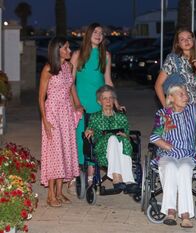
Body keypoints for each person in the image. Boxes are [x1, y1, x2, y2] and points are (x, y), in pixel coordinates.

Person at [150, 84, 196, 228]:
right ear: (171, 98)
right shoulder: (163, 114)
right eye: (181, 94)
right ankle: (171, 212)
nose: (186, 97)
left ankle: (186, 215)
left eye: (186, 94)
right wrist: (168, 146)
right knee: (171, 167)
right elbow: (154, 137)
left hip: (188, 154)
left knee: (185, 169)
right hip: (168, 154)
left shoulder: (193, 111)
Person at [70, 23, 123, 186]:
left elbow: (107, 81)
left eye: (101, 33)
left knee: (95, 138)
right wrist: (76, 103)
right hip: (81, 103)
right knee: (79, 139)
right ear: (88, 34)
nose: (99, 35)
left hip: (99, 103)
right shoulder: (77, 55)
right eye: (95, 32)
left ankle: (92, 177)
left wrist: (116, 103)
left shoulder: (105, 55)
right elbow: (70, 82)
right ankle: (75, 175)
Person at [39, 36, 80, 207]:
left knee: (64, 151)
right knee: (54, 153)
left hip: (66, 113)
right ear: (58, 50)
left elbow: (71, 87)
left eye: (69, 48)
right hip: (53, 113)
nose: (69, 51)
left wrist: (77, 104)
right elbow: (41, 98)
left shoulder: (68, 66)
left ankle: (59, 192)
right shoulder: (48, 69)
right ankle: (50, 195)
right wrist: (45, 120)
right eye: (66, 48)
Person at [84, 85, 137, 193]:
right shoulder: (95, 117)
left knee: (121, 140)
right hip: (103, 151)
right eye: (105, 98)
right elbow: (90, 133)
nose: (108, 101)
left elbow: (127, 134)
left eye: (110, 98)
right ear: (99, 102)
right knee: (112, 138)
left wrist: (125, 136)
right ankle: (117, 176)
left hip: (121, 148)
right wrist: (89, 132)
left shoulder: (121, 117)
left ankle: (128, 180)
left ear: (113, 100)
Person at [154, 28, 196, 107]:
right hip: (178, 110)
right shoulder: (173, 59)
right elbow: (158, 85)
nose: (186, 41)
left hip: (194, 110)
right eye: (182, 39)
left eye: (189, 38)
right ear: (178, 44)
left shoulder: (194, 62)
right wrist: (166, 107)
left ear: (193, 41)